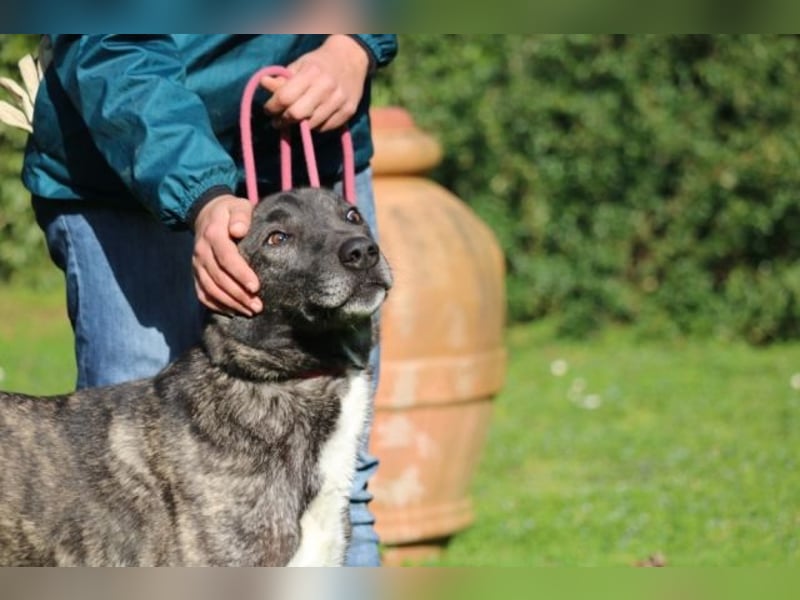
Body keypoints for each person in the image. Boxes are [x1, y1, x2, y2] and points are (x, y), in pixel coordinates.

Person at [21, 34, 398, 567]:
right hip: (128, 159)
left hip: (312, 146)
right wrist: (200, 190)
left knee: (344, 488)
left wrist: (354, 45)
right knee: (120, 502)